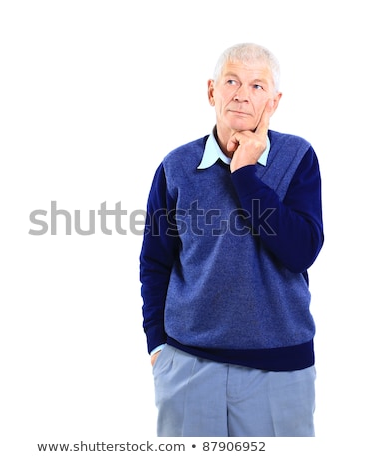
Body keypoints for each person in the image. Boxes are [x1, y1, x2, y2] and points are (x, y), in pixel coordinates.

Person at [139, 43, 324, 437]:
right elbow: (155, 261)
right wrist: (158, 347)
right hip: (187, 365)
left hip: (279, 368)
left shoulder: (298, 157)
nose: (242, 93)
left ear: (273, 102)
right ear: (212, 91)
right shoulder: (175, 167)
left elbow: (301, 251)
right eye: (232, 81)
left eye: (258, 86)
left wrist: (245, 176)